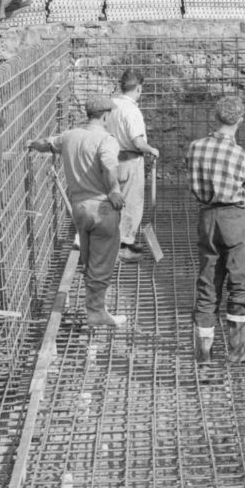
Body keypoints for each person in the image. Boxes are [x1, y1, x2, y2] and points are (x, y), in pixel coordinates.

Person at [28, 96, 127, 329]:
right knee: (102, 261)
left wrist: (30, 143)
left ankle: (93, 307)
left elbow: (46, 143)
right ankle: (96, 311)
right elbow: (109, 165)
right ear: (105, 116)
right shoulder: (106, 140)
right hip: (102, 209)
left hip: (79, 209)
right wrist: (114, 190)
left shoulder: (69, 136)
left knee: (88, 258)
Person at [186, 95, 245, 365]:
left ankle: (203, 356)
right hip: (234, 220)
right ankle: (237, 350)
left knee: (208, 286)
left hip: (206, 219)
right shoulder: (243, 158)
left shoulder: (195, 148)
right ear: (240, 121)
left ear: (215, 117)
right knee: (240, 285)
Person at [106, 68, 159, 262]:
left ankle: (123, 242)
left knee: (115, 203)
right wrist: (151, 149)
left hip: (112, 160)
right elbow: (137, 141)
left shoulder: (111, 106)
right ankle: (122, 247)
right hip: (130, 161)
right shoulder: (132, 110)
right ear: (138, 88)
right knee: (131, 205)